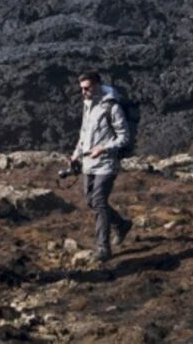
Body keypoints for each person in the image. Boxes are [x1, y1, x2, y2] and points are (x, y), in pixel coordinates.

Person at [68, 70, 132, 262]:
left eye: (86, 88)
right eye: (81, 89)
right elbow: (85, 132)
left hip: (106, 163)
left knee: (98, 201)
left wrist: (103, 149)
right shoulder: (88, 103)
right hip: (89, 162)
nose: (83, 92)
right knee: (90, 200)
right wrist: (76, 153)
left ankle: (103, 247)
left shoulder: (111, 106)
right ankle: (121, 225)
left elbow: (124, 137)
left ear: (96, 85)